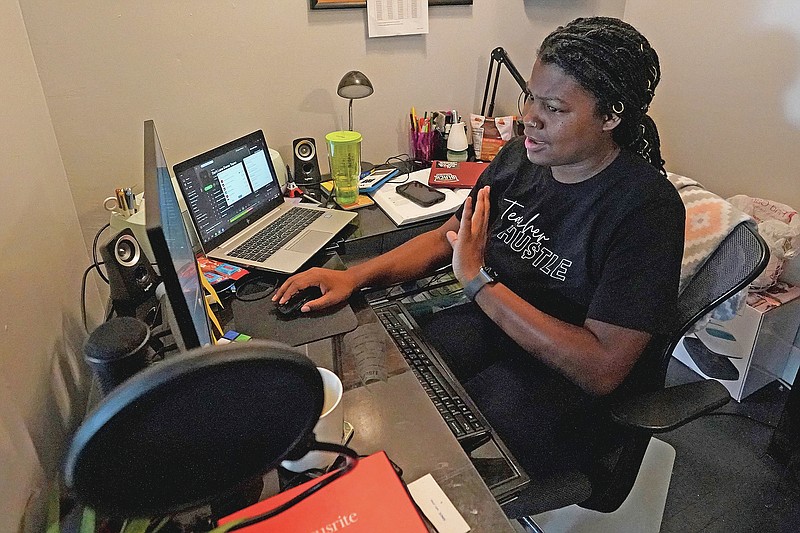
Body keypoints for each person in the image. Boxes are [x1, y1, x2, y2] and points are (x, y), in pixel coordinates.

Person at [275, 17, 685, 484]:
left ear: (611, 116)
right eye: (530, 97)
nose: (530, 118)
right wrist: (355, 276)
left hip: (567, 378)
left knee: (431, 454)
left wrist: (477, 282)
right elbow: (447, 237)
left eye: (554, 108)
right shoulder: (519, 158)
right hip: (496, 328)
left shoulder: (647, 211)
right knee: (387, 379)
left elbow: (601, 368)